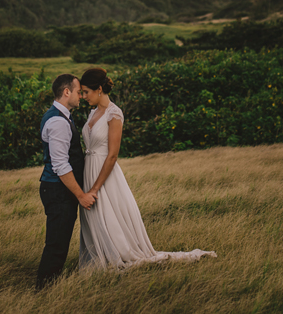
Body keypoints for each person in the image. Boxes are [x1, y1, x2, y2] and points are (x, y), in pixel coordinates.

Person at [77, 67, 216, 269]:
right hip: (89, 170)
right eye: (81, 92)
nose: (83, 96)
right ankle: (99, 256)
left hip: (104, 174)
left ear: (99, 89)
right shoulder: (92, 113)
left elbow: (113, 155)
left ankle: (118, 254)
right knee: (94, 217)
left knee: (109, 215)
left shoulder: (114, 114)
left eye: (86, 92)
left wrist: (95, 188)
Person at [36, 74, 96, 290]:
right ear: (67, 92)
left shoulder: (62, 116)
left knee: (59, 242)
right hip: (58, 191)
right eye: (79, 91)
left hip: (58, 189)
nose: (81, 95)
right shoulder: (58, 122)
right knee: (57, 244)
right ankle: (44, 291)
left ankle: (47, 286)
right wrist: (81, 195)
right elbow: (61, 165)